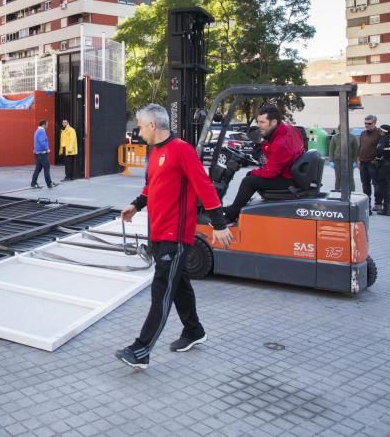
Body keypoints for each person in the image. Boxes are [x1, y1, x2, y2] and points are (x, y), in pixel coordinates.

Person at [115, 104, 231, 370]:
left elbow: (204, 186)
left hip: (175, 235)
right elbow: (151, 186)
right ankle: (194, 331)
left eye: (141, 126)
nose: (139, 131)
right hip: (157, 231)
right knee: (179, 286)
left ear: (153, 125)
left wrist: (219, 224)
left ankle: (141, 350)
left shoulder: (181, 150)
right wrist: (136, 205)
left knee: (162, 290)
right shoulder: (154, 153)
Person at [223, 104, 305, 223]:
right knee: (253, 176)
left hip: (288, 179)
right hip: (290, 172)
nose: (259, 125)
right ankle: (234, 209)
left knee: (249, 180)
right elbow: (274, 156)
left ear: (274, 122)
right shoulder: (287, 129)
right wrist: (262, 143)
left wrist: (253, 172)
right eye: (258, 122)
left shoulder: (281, 143)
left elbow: (270, 172)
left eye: (262, 122)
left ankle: (230, 217)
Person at [358, 115, 385, 212]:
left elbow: (382, 148)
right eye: (365, 123)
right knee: (365, 184)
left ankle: (378, 204)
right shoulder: (363, 133)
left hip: (373, 163)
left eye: (369, 123)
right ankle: (367, 204)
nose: (366, 125)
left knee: (376, 184)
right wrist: (358, 160)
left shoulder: (379, 134)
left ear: (374, 123)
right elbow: (360, 146)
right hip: (363, 162)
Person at [328, 126, 359, 193]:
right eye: (340, 129)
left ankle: (352, 192)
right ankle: (337, 191)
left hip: (349, 160)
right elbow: (331, 149)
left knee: (350, 177)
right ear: (339, 129)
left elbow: (356, 150)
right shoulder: (335, 137)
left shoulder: (352, 137)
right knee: (338, 177)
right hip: (338, 160)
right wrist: (331, 161)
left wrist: (355, 161)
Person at [30, 119, 57, 189]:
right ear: (43, 125)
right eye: (47, 124)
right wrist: (47, 149)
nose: (47, 126)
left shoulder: (37, 131)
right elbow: (42, 142)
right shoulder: (41, 132)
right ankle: (49, 184)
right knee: (46, 169)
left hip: (37, 153)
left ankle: (33, 183)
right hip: (42, 154)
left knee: (38, 169)